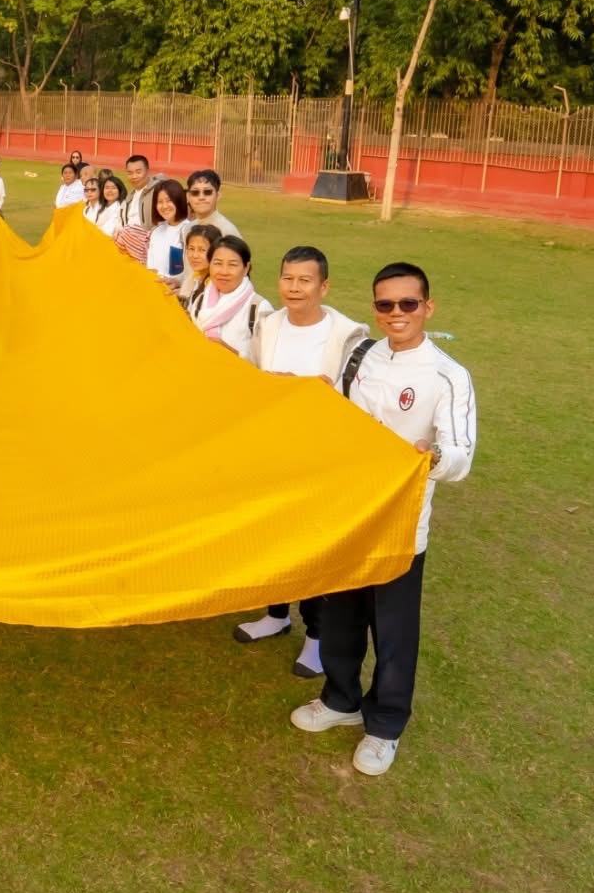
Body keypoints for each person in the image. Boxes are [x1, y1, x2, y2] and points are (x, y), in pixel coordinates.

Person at [292, 262, 476, 777]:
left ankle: (386, 725)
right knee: (342, 616)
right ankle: (340, 699)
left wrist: (431, 454)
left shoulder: (449, 375)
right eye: (385, 305)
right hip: (350, 515)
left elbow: (461, 455)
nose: (396, 314)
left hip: (399, 525)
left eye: (407, 304)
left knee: (393, 631)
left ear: (427, 307)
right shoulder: (362, 355)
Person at [235, 246, 372, 675]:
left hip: (320, 459)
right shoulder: (268, 324)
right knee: (273, 536)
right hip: (272, 452)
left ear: (324, 286)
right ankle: (276, 616)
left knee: (312, 546)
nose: (294, 288)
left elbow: (356, 401)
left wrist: (312, 391)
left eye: (305, 280)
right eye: (288, 278)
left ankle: (316, 636)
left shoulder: (349, 337)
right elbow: (251, 376)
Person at [187, 235, 269, 359]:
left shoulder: (258, 307)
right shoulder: (200, 300)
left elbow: (266, 362)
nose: (224, 271)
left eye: (232, 265)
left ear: (246, 268)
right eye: (218, 263)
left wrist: (229, 352)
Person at [143, 181, 191, 283]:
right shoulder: (156, 232)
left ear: (179, 201)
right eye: (160, 202)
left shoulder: (189, 230)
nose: (164, 206)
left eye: (169, 200)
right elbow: (151, 268)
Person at [176, 223, 223, 303]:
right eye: (191, 248)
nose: (195, 255)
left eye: (202, 250)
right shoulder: (195, 277)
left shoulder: (219, 285)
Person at [186, 169, 238, 238]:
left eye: (207, 192)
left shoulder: (227, 231)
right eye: (195, 192)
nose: (201, 197)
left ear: (218, 196)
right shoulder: (187, 229)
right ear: (188, 197)